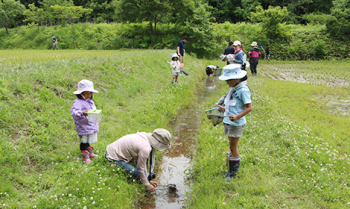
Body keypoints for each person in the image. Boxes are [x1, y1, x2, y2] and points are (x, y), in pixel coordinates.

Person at [214, 64, 252, 181]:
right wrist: (221, 108)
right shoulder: (233, 88)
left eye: (228, 80)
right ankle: (230, 168)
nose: (227, 83)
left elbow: (249, 107)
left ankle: (233, 173)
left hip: (236, 123)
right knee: (231, 146)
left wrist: (237, 116)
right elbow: (232, 106)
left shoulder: (243, 90)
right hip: (229, 121)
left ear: (237, 79)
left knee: (233, 147)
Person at [105, 128, 172, 192]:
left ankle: (145, 178)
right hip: (113, 156)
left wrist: (148, 179)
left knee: (143, 167)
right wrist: (147, 184)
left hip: (114, 148)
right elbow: (140, 169)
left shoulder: (144, 136)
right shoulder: (145, 148)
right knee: (137, 174)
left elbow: (143, 161)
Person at [70, 79, 99, 164]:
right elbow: (74, 112)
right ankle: (84, 155)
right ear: (81, 93)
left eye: (90, 93)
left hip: (90, 124)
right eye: (86, 93)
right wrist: (82, 113)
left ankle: (89, 152)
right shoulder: (77, 102)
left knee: (88, 138)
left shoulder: (90, 102)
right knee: (83, 140)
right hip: (83, 125)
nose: (88, 95)